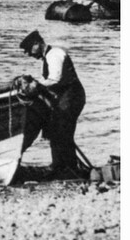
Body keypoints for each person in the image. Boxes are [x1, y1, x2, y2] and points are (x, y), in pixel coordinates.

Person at [18, 30, 87, 178]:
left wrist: (36, 84)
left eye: (29, 49)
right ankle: (60, 166)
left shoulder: (55, 54)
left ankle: (68, 169)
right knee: (56, 131)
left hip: (72, 97)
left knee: (63, 131)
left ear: (37, 44)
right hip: (63, 98)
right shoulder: (46, 59)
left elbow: (55, 80)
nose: (29, 54)